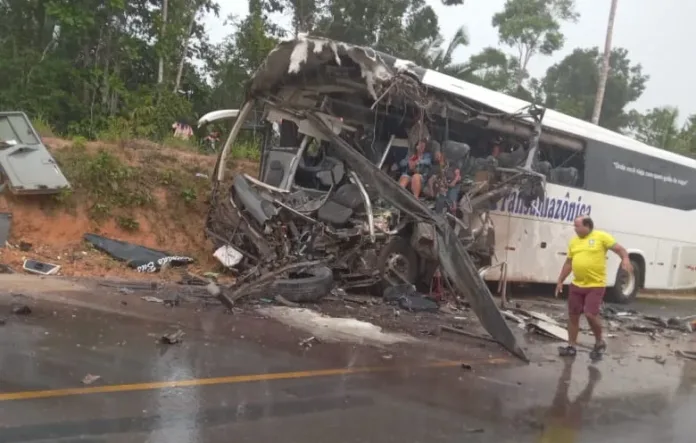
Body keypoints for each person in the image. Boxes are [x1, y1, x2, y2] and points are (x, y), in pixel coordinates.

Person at [555, 216, 632, 360]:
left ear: (587, 226)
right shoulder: (574, 242)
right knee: (573, 315)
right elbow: (569, 263)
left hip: (595, 285)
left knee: (590, 314)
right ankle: (571, 346)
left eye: (577, 226)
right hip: (577, 284)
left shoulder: (601, 236)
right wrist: (560, 280)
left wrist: (625, 258)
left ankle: (599, 341)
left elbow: (620, 249)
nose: (575, 229)